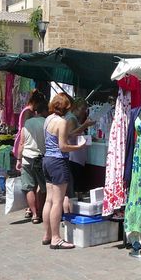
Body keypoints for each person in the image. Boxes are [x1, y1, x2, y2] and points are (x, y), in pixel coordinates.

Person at [41, 93, 87, 249]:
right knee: (58, 202)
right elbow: (63, 146)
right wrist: (78, 147)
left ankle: (47, 235)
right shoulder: (62, 122)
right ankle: (55, 238)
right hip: (59, 161)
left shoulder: (48, 119)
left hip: (47, 160)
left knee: (49, 199)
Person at [13, 89, 47, 219]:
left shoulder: (27, 123)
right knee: (42, 188)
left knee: (29, 188)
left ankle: (33, 214)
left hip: (27, 158)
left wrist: (18, 159)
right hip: (40, 158)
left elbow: (21, 143)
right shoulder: (46, 123)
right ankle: (40, 211)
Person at [63, 98, 95, 212]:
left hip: (75, 156)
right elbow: (71, 135)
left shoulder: (72, 118)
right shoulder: (71, 118)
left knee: (75, 184)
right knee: (75, 185)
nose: (84, 111)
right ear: (76, 107)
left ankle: (74, 208)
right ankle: (74, 209)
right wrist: (85, 125)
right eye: (83, 109)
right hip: (74, 156)